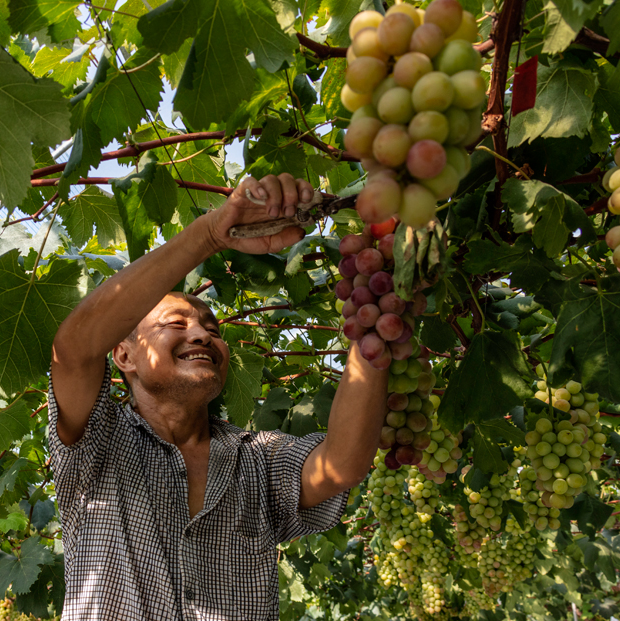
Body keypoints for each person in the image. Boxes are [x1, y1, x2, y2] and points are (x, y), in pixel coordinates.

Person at [49, 173, 389, 621]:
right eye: (176, 324)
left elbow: (343, 462)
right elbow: (73, 351)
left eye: (213, 329)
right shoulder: (97, 443)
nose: (202, 335)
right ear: (124, 355)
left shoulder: (258, 460)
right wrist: (211, 233)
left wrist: (377, 313)